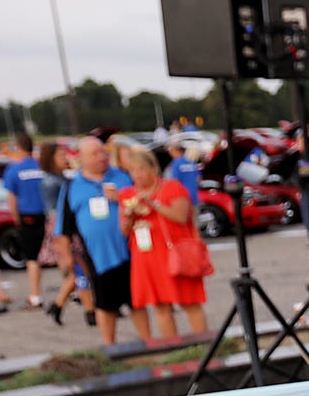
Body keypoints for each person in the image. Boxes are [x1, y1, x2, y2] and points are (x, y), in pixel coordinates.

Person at [118, 144, 209, 338]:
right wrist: (129, 215)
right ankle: (174, 350)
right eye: (133, 170)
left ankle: (204, 347)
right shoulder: (127, 194)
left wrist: (154, 204)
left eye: (141, 169)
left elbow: (181, 216)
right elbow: (124, 230)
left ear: (153, 168)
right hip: (147, 256)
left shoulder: (171, 187)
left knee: (189, 302)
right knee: (160, 306)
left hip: (176, 254)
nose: (138, 175)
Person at [55, 135, 133, 343]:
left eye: (103, 152)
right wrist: (65, 257)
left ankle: (149, 344)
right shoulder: (72, 186)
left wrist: (122, 198)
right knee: (105, 304)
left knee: (138, 302)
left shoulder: (123, 177)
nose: (102, 157)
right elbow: (63, 227)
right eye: (95, 154)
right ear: (81, 158)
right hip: (99, 257)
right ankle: (110, 347)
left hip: (133, 252)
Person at [37, 140, 89, 326]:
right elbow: (57, 212)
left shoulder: (61, 178)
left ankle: (63, 306)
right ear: (51, 158)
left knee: (81, 269)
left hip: (65, 226)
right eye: (60, 156)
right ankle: (85, 310)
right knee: (79, 269)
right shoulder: (51, 181)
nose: (64, 158)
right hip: (61, 228)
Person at [1, 132, 47, 309]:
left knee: (32, 258)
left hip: (27, 216)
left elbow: (11, 198)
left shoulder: (14, 170)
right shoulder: (41, 166)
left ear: (19, 148)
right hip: (45, 215)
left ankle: (35, 296)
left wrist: (15, 219)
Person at [164, 138, 202, 204]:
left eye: (170, 150)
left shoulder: (175, 164)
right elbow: (198, 179)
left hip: (182, 200)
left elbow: (173, 182)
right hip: (194, 199)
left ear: (174, 150)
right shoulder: (191, 163)